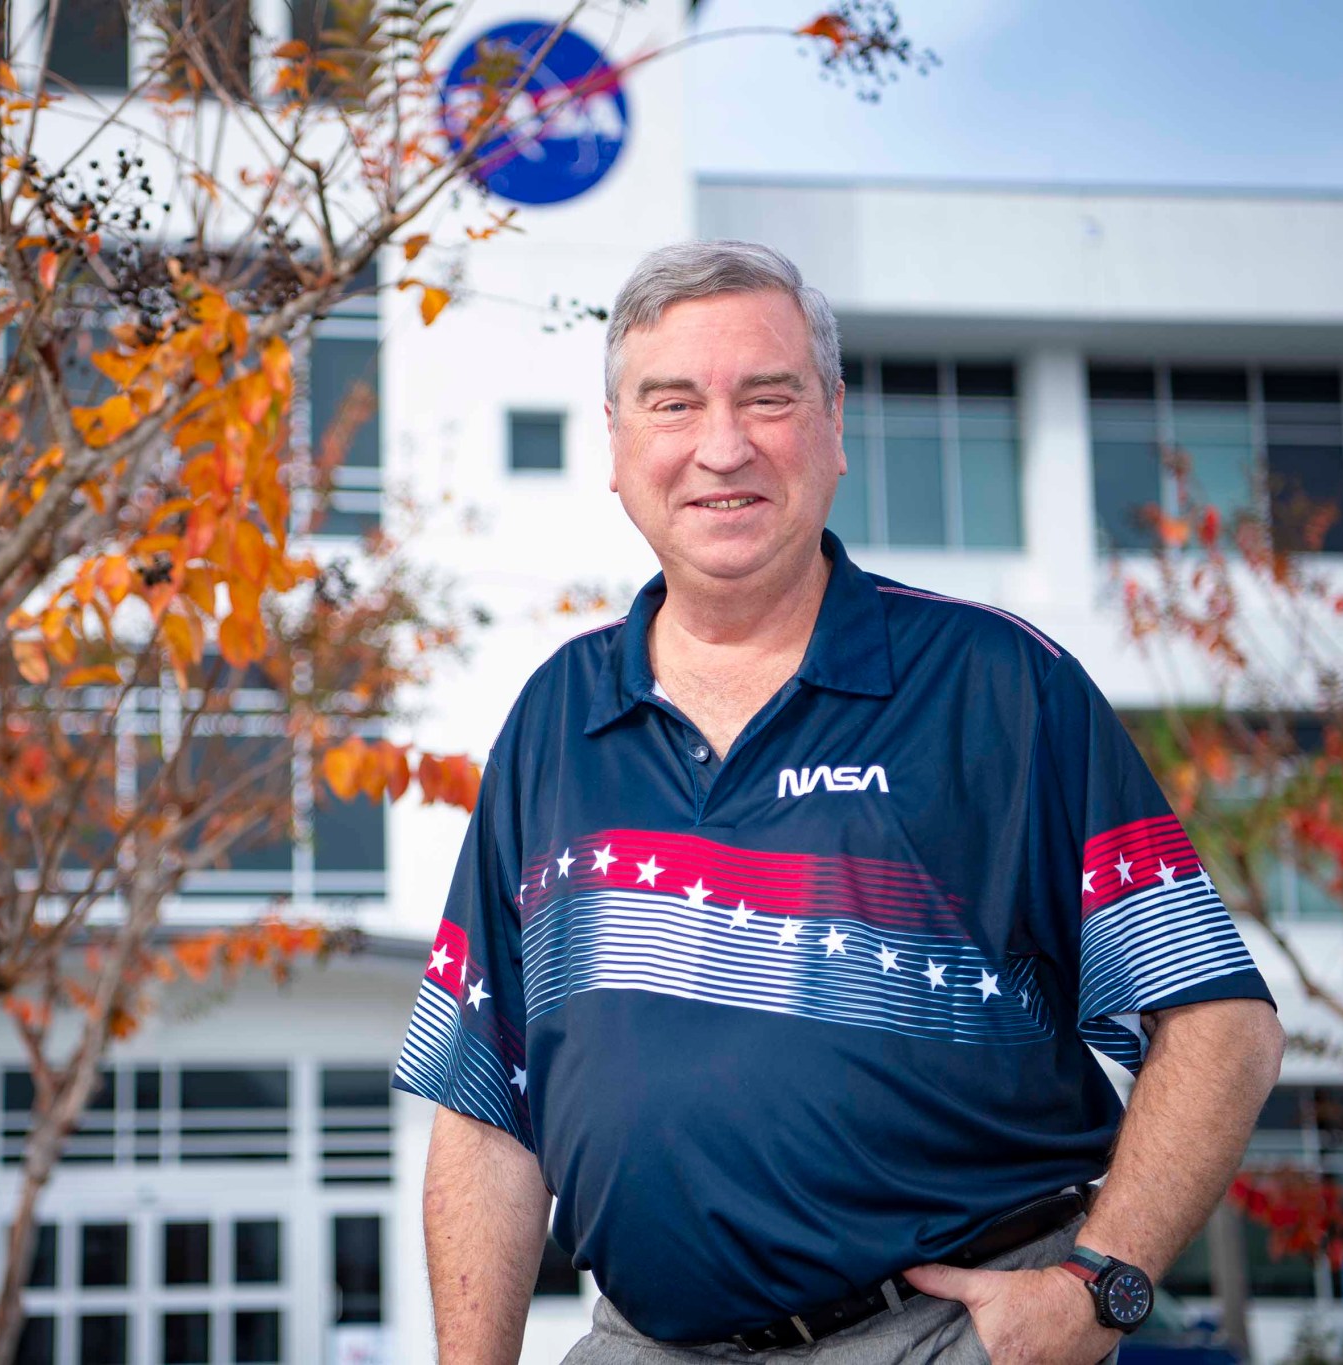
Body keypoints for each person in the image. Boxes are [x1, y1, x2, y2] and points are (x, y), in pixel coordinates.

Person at [389, 240, 1285, 1365]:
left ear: (832, 425)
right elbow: (484, 1108)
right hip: (642, 1342)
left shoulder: (995, 687)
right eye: (672, 404)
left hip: (941, 1338)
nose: (722, 446)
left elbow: (1219, 1025)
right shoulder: (553, 721)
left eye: (767, 397)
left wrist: (1095, 1287)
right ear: (615, 449)